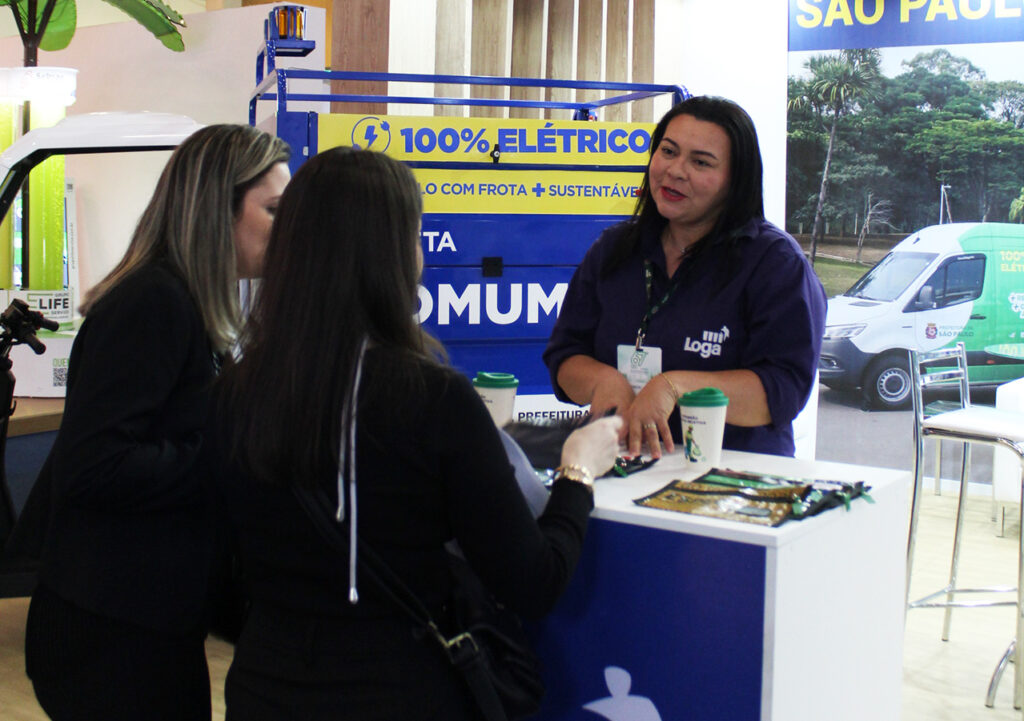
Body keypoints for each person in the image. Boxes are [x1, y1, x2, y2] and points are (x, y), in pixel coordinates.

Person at [210, 146, 621, 720]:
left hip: (267, 687)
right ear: (395, 254)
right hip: (400, 689)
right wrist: (578, 470)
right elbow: (533, 582)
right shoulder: (433, 399)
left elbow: (217, 575)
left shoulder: (233, 390)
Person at [23, 124, 291, 721]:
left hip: (144, 620)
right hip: (110, 630)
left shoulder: (184, 303)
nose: (287, 228)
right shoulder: (153, 303)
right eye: (274, 210)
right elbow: (95, 466)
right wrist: (235, 451)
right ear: (216, 209)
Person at [543, 96, 826, 459]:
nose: (675, 171)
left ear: (736, 180)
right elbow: (565, 355)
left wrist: (675, 387)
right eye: (668, 151)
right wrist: (603, 381)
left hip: (734, 476)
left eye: (701, 162)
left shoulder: (775, 263)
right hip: (623, 466)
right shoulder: (614, 249)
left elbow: (783, 388)